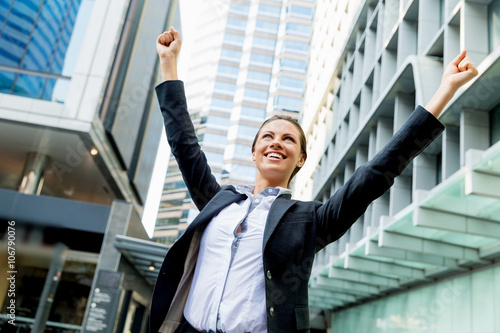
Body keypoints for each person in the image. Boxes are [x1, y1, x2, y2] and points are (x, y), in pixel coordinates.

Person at [150, 27, 478, 333]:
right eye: (268, 136)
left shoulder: (308, 221)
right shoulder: (218, 201)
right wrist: (169, 63)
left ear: (301, 159)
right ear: (254, 152)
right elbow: (184, 145)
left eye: (288, 139)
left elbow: (376, 174)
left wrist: (444, 91)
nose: (276, 142)